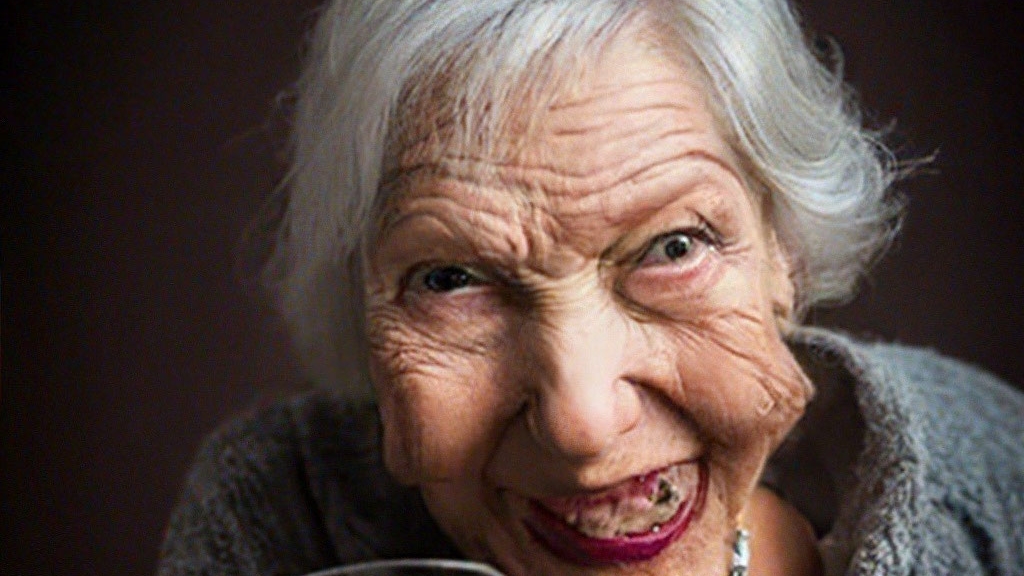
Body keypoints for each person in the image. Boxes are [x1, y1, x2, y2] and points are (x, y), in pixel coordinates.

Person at [156, 1, 1024, 575]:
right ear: (363, 302)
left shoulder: (994, 476)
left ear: (784, 252)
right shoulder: (278, 517)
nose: (582, 424)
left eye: (673, 247)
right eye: (453, 280)